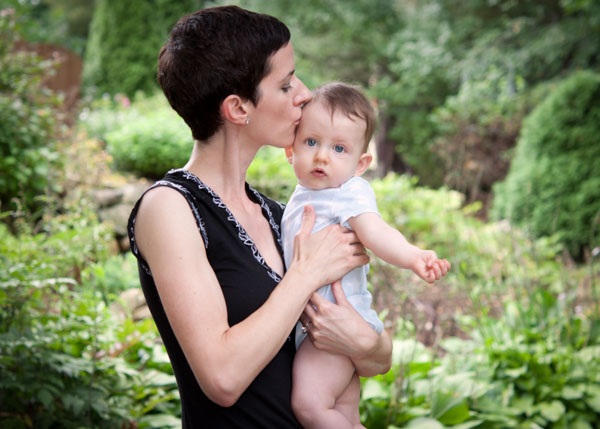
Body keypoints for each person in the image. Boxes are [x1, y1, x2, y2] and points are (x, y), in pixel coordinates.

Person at [126, 6, 393, 429]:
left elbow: (380, 360)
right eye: (286, 85)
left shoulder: (280, 214)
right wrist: (304, 275)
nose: (304, 94)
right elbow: (222, 378)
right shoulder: (170, 208)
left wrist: (365, 341)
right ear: (238, 108)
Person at [281, 82, 451, 429]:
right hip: (326, 328)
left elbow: (376, 232)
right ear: (290, 150)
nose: (322, 155)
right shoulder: (305, 196)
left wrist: (413, 256)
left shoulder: (346, 192)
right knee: (343, 416)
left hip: (337, 325)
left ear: (361, 164)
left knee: (309, 406)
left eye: (339, 148)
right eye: (311, 142)